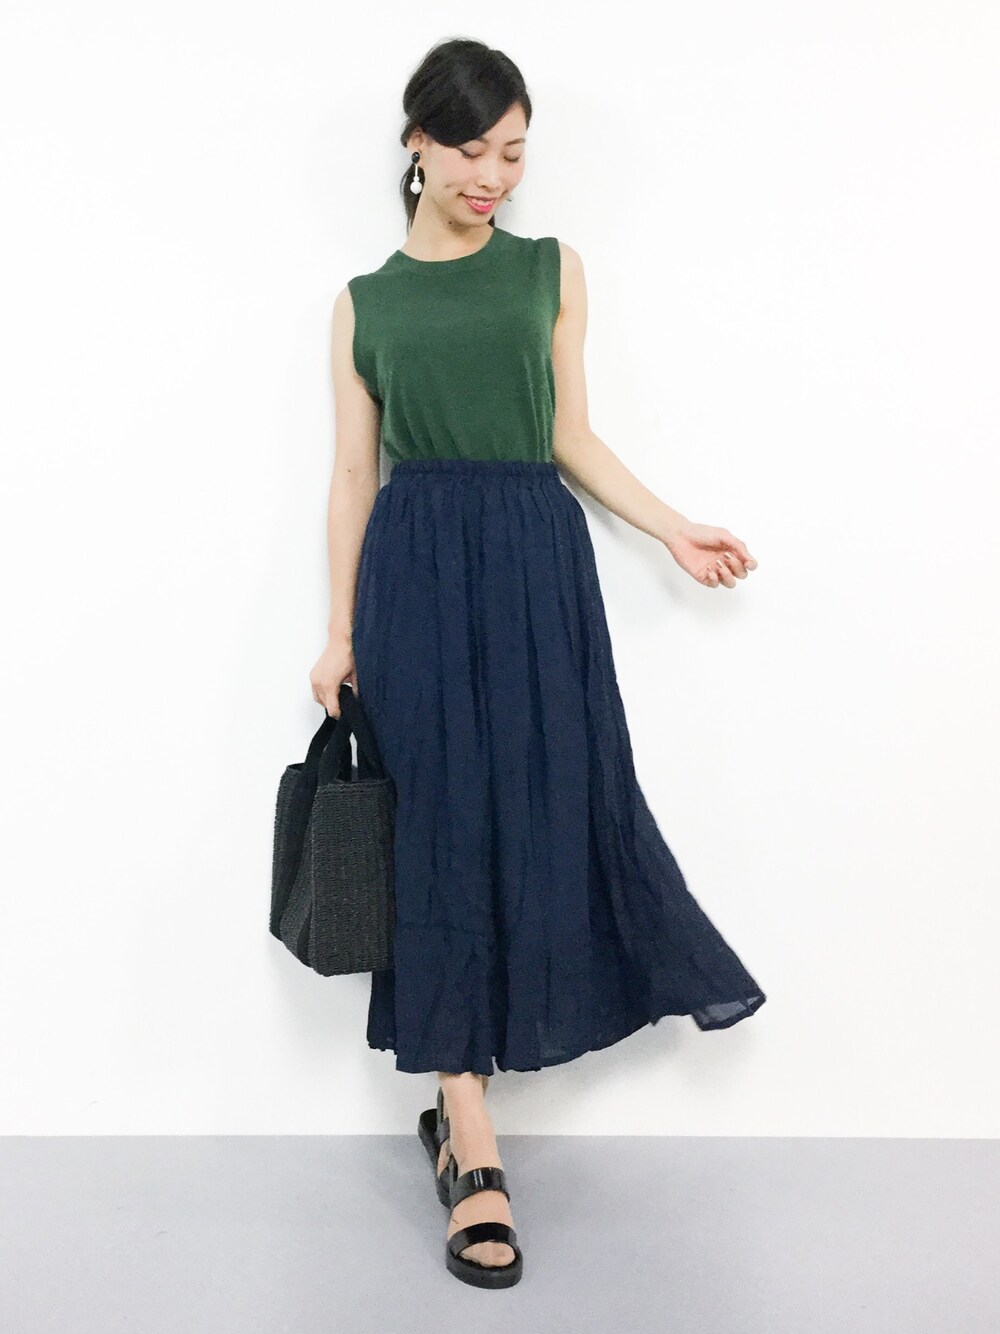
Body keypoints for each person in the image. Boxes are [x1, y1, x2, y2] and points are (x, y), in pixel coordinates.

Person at [309, 38, 767, 1289]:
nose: (493, 177)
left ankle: (485, 1078)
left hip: (532, 561)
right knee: (436, 830)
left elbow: (571, 433)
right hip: (413, 569)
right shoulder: (363, 303)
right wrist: (340, 630)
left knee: (556, 806)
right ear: (416, 141)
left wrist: (671, 526)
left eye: (513, 153)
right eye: (471, 150)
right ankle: (469, 1130)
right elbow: (352, 476)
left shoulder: (550, 269)